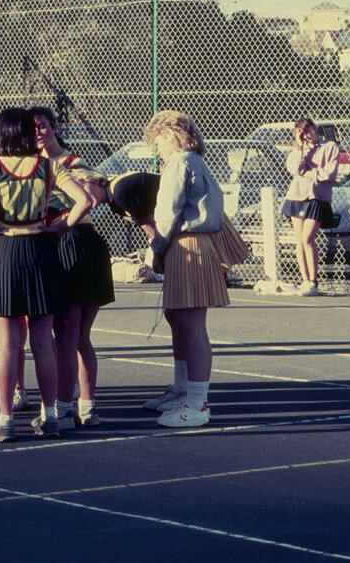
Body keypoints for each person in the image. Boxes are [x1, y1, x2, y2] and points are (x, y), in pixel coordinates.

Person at [0, 107, 90, 442]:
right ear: (28, 133)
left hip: (2, 253)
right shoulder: (49, 167)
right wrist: (61, 226)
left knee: (8, 344)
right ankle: (51, 416)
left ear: (1, 133)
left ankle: (5, 421)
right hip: (41, 252)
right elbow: (84, 201)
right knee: (43, 341)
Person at [136, 109, 246, 428]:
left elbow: (167, 212)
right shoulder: (190, 161)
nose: (156, 148)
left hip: (189, 245)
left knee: (192, 325)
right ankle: (184, 391)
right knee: (177, 318)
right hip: (189, 244)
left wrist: (154, 249)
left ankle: (197, 403)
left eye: (158, 140)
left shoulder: (181, 161)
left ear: (170, 133)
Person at [32, 106, 114, 428]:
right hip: (59, 245)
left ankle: (71, 409)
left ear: (54, 127)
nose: (38, 132)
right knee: (71, 337)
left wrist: (63, 218)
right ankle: (80, 406)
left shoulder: (70, 163)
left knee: (72, 336)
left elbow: (97, 192)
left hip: (76, 244)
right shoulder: (29, 166)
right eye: (32, 128)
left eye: (42, 126)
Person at [282, 117, 340, 297]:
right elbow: (293, 168)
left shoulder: (329, 147)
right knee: (299, 240)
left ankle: (313, 282)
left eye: (308, 131)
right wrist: (300, 149)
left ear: (315, 129)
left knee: (308, 238)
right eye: (302, 134)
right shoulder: (298, 151)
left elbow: (329, 174)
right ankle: (304, 280)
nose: (307, 136)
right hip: (296, 196)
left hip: (317, 197)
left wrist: (307, 174)